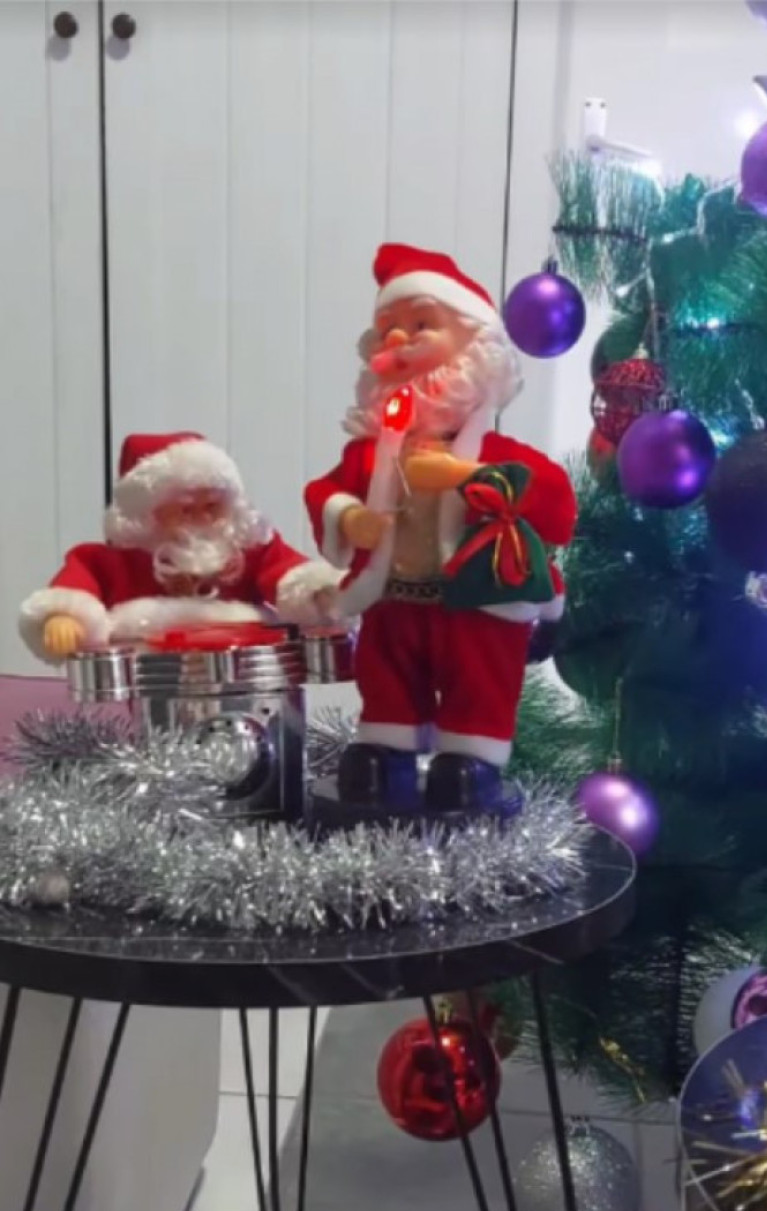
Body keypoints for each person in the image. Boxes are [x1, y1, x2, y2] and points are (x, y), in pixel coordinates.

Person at [306, 243, 577, 812]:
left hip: (473, 604)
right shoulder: (370, 454)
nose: (398, 340)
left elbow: (555, 503)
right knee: (386, 673)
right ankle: (386, 748)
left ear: (475, 352)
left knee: (479, 678)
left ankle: (471, 760)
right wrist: (347, 516)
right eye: (388, 330)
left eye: (420, 324)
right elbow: (324, 491)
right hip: (394, 599)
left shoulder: (499, 453)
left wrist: (465, 476)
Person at [21, 431, 340, 662]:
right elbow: (77, 586)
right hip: (153, 678)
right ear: (149, 514)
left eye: (213, 506)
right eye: (186, 509)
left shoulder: (251, 549)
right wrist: (64, 617)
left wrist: (319, 594)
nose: (203, 518)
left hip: (246, 673)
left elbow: (290, 575)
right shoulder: (112, 559)